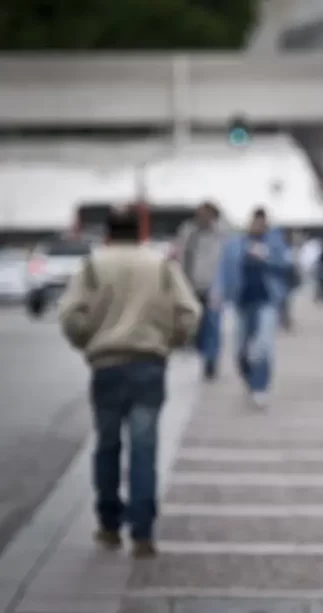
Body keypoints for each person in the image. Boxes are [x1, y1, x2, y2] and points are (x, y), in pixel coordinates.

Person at [58, 209, 200, 558]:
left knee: (107, 445)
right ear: (140, 232)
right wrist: (170, 341)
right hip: (149, 363)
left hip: (106, 364)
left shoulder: (93, 265)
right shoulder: (160, 265)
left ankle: (109, 525)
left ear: (108, 232)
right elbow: (189, 313)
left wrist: (87, 341)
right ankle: (142, 531)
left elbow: (70, 315)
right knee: (144, 448)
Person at [213, 208, 294, 409]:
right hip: (241, 301)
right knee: (241, 349)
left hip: (267, 300)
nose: (258, 226)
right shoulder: (235, 243)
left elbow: (287, 265)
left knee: (263, 346)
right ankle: (249, 379)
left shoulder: (274, 243)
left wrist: (266, 256)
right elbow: (223, 268)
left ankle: (261, 386)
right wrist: (218, 292)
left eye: (262, 223)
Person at [174, 201, 228, 380]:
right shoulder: (188, 231)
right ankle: (200, 350)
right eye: (200, 214)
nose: (202, 218)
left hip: (213, 287)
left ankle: (211, 361)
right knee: (196, 324)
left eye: (207, 214)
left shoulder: (221, 234)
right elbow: (180, 255)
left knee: (213, 325)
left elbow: (225, 260)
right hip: (191, 285)